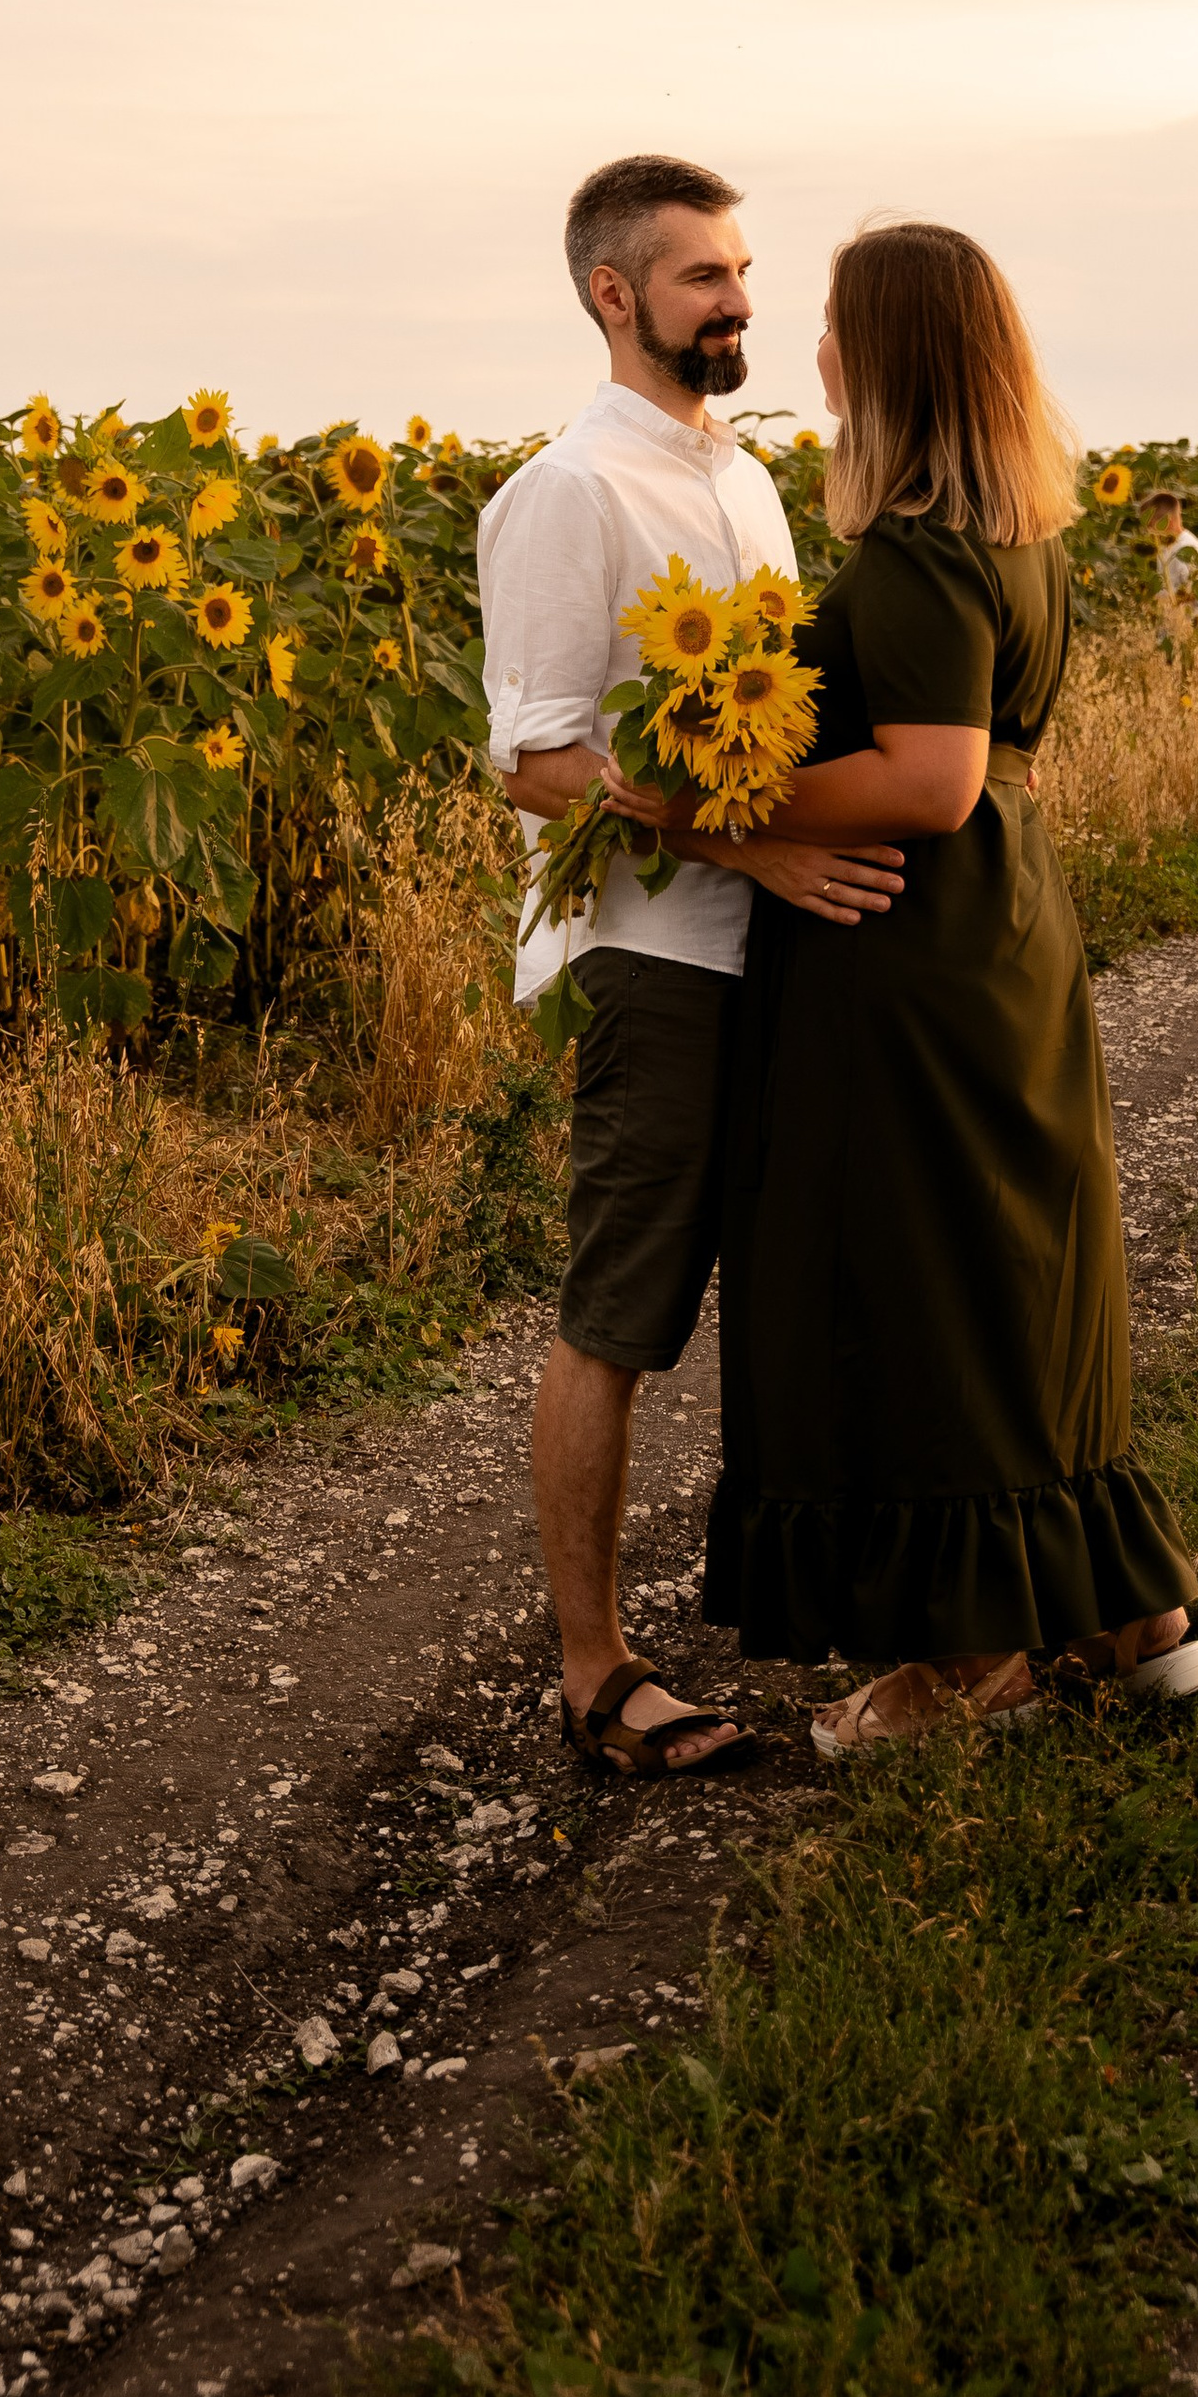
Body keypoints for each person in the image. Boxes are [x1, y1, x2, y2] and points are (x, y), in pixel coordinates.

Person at [674, 220, 1198, 1751]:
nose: (815, 346)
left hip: (904, 949)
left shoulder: (911, 550)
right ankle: (1134, 1616)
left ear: (888, 356)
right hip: (995, 936)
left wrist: (715, 811)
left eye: (837, 323)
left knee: (905, 1284)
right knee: (1005, 1266)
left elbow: (927, 782)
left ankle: (967, 1668)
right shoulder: (1018, 532)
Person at [477, 154, 908, 1782]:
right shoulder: (570, 494)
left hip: (775, 952)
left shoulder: (743, 480)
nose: (738, 301)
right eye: (703, 279)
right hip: (652, 956)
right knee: (624, 1311)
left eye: (740, 271)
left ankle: (875, 1605)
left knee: (812, 1290)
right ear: (614, 295)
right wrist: (759, 853)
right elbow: (534, 761)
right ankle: (592, 1672)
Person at [1140, 484, 1198, 630]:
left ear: (1167, 522)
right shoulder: (1164, 549)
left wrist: (1161, 599)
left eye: (1151, 526)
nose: (1148, 532)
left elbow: (1195, 590)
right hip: (1186, 626)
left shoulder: (1186, 549)